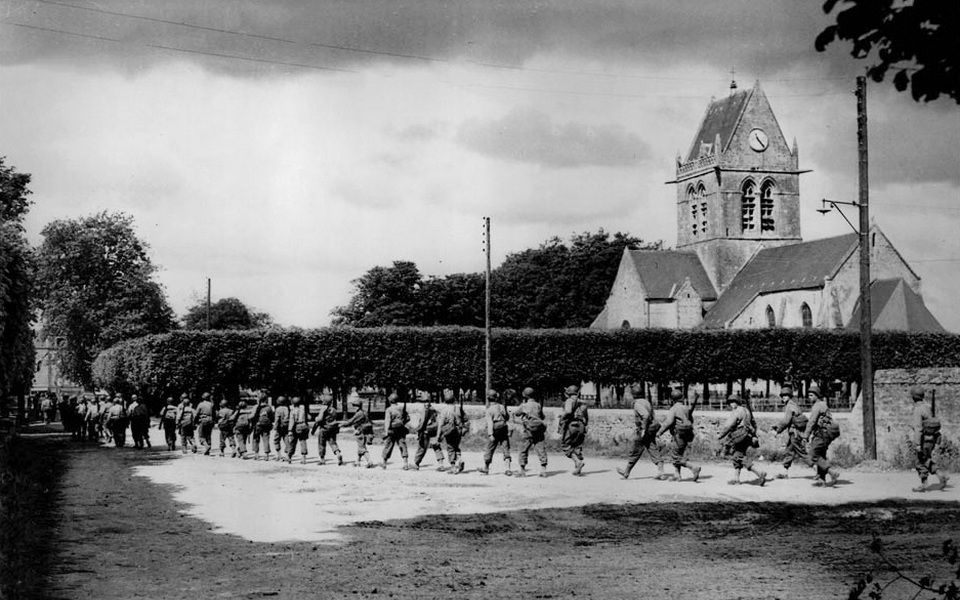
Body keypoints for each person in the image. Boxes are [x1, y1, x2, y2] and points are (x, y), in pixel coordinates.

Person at [617, 383, 667, 481]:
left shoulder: (637, 404)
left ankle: (626, 472)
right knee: (652, 447)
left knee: (636, 449)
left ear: (633, 395)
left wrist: (643, 429)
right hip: (652, 427)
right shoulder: (646, 401)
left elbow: (646, 415)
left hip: (645, 429)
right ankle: (661, 471)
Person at [718, 395, 766, 486]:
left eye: (733, 402)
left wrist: (721, 435)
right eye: (730, 403)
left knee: (738, 457)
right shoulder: (746, 410)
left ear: (737, 402)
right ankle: (736, 479)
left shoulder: (736, 412)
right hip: (747, 436)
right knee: (737, 456)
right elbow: (753, 423)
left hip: (738, 436)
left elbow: (729, 425)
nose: (732, 404)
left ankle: (759, 473)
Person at [909, 386, 949, 492]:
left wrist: (917, 444)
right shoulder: (927, 407)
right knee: (925, 460)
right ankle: (940, 475)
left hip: (923, 440)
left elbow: (918, 429)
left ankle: (925, 483)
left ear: (913, 397)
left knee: (919, 462)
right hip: (931, 439)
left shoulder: (918, 410)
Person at [656, 388, 701, 482]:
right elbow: (691, 419)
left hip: (678, 434)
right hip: (687, 433)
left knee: (675, 456)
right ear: (682, 398)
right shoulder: (685, 408)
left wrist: (660, 432)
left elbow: (668, 422)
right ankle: (677, 475)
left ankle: (693, 467)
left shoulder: (674, 409)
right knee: (678, 453)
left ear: (672, 399)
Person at [803, 385, 841, 487]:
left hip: (821, 434)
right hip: (826, 434)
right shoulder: (823, 405)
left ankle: (832, 472)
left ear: (816, 396)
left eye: (811, 395)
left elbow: (811, 422)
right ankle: (822, 480)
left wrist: (805, 436)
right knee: (821, 455)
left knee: (813, 455)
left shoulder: (817, 406)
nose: (809, 397)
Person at [772, 385, 812, 479]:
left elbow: (786, 421)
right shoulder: (794, 404)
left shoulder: (789, 406)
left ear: (789, 396)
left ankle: (821, 470)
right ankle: (785, 473)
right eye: (782, 396)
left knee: (802, 453)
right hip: (794, 433)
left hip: (795, 433)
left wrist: (777, 431)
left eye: (785, 395)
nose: (783, 397)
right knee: (789, 451)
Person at [514, 387, 548, 478]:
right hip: (539, 429)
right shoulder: (538, 405)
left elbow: (516, 413)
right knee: (541, 448)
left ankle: (522, 470)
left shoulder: (524, 405)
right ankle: (543, 470)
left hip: (528, 430)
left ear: (524, 395)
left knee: (523, 449)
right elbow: (542, 416)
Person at [479, 389, 513, 476]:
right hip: (503, 429)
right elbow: (507, 417)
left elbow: (490, 423)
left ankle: (486, 468)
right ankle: (507, 468)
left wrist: (490, 434)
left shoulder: (489, 410)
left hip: (495, 430)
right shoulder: (501, 406)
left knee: (490, 448)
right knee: (505, 447)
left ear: (488, 398)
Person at [558, 385, 588, 476]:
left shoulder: (569, 401)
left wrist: (562, 417)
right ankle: (578, 469)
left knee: (566, 446)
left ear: (568, 393)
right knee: (577, 446)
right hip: (581, 425)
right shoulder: (583, 403)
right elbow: (586, 418)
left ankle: (578, 462)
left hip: (571, 425)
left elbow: (568, 411)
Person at [436, 390, 466, 474]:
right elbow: (465, 419)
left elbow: (440, 424)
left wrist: (438, 436)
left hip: (449, 430)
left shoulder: (444, 410)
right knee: (456, 446)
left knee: (450, 448)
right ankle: (459, 459)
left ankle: (453, 466)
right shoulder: (458, 408)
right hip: (458, 430)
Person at [339, 397, 375, 468]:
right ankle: (357, 461)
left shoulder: (359, 413)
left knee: (361, 447)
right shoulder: (364, 412)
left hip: (361, 431)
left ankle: (369, 461)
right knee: (360, 446)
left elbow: (350, 422)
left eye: (353, 406)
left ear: (357, 406)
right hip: (366, 431)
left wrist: (341, 425)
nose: (352, 407)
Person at [412, 393, 444, 471]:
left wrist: (418, 430)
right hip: (433, 430)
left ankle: (416, 463)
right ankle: (441, 464)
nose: (425, 403)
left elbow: (422, 422)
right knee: (436, 447)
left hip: (425, 431)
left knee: (422, 447)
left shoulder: (425, 410)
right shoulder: (434, 410)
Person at [380, 393, 411, 470]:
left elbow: (387, 421)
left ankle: (384, 463)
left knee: (388, 446)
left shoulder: (389, 409)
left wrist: (386, 431)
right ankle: (405, 463)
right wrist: (402, 422)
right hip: (401, 429)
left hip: (392, 430)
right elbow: (408, 418)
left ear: (390, 400)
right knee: (402, 445)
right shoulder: (401, 408)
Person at [312, 393, 343, 466]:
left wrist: (315, 420)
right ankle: (338, 453)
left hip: (324, 428)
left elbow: (319, 419)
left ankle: (322, 459)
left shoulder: (323, 409)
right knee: (332, 442)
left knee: (321, 443)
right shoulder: (334, 410)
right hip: (332, 428)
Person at [250, 394, 275, 460]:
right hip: (266, 425)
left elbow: (252, 416)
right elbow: (272, 417)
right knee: (266, 439)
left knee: (256, 439)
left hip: (257, 425)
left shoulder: (256, 407)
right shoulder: (268, 407)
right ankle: (266, 454)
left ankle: (256, 455)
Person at [286, 396, 310, 464]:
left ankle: (289, 456)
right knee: (303, 441)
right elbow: (308, 417)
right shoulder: (303, 410)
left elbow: (291, 421)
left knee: (293, 442)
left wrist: (290, 430)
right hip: (304, 426)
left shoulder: (293, 411)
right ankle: (303, 458)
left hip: (296, 427)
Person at [272, 396, 291, 461]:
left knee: (276, 440)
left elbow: (277, 419)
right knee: (286, 440)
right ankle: (288, 454)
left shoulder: (277, 409)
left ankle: (278, 454)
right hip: (286, 426)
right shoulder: (286, 408)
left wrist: (275, 427)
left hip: (279, 426)